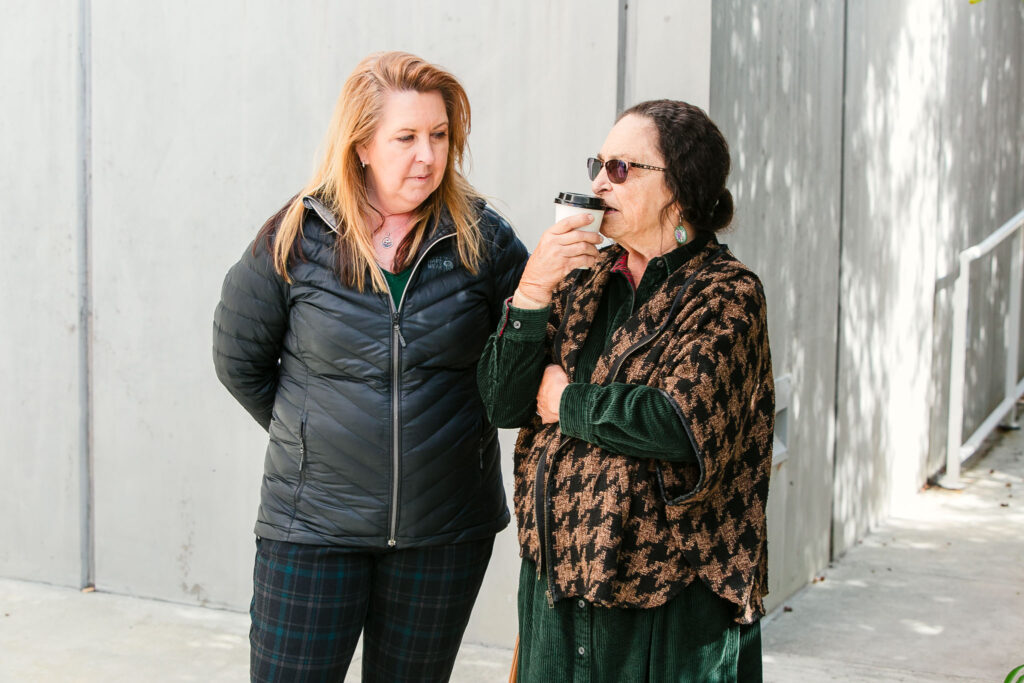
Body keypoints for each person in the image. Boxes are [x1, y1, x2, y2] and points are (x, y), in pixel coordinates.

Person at [213, 51, 528, 683]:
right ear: (360, 144)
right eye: (406, 137)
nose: (428, 157)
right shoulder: (298, 235)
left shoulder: (484, 241)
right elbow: (239, 360)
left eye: (439, 136)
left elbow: (516, 377)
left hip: (444, 531)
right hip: (311, 528)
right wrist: (309, 440)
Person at [478, 100, 775, 682]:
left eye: (620, 169)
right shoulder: (583, 277)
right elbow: (502, 401)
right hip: (559, 587)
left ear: (678, 188)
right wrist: (534, 290)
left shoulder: (727, 293)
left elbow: (674, 420)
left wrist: (567, 404)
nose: (596, 183)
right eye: (598, 163)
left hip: (671, 600)